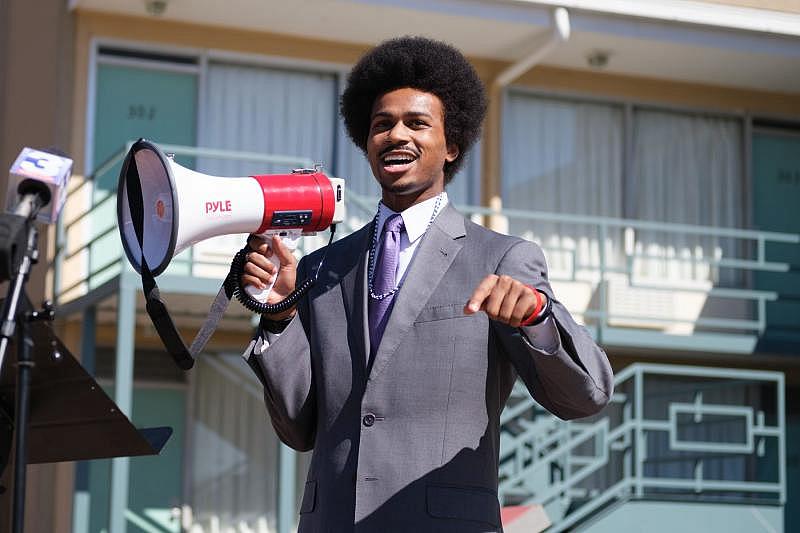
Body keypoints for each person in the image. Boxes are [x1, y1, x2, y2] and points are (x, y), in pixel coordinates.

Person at [242, 36, 613, 533]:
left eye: (417, 123)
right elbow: (298, 428)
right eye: (382, 124)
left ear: (451, 146)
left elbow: (584, 397)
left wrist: (537, 320)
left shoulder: (502, 258)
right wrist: (279, 314)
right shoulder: (320, 269)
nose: (397, 135)